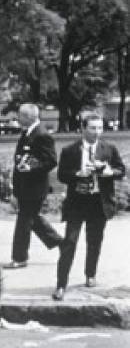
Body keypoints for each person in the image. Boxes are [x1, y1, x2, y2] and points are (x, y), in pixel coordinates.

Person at [53, 113, 126, 300]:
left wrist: (109, 171)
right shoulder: (70, 151)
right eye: (93, 128)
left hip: (98, 202)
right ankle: (61, 284)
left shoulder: (108, 148)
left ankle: (90, 274)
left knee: (94, 242)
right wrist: (78, 173)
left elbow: (121, 170)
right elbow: (61, 175)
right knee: (69, 242)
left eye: (100, 128)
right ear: (83, 128)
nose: (97, 132)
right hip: (77, 202)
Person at [8, 103, 62, 268]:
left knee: (25, 220)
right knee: (31, 219)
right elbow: (19, 161)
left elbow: (51, 160)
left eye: (20, 115)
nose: (18, 118)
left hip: (35, 187)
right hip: (25, 186)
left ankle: (19, 257)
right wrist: (15, 188)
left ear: (28, 117)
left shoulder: (42, 135)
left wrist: (32, 168)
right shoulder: (27, 133)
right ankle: (62, 243)